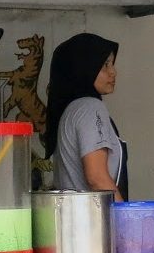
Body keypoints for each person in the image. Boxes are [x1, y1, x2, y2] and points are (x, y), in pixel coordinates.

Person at [46, 33, 125, 199]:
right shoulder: (90, 107)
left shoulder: (71, 110)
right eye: (105, 65)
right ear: (84, 67)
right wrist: (124, 214)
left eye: (112, 64)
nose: (113, 72)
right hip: (93, 214)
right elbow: (97, 179)